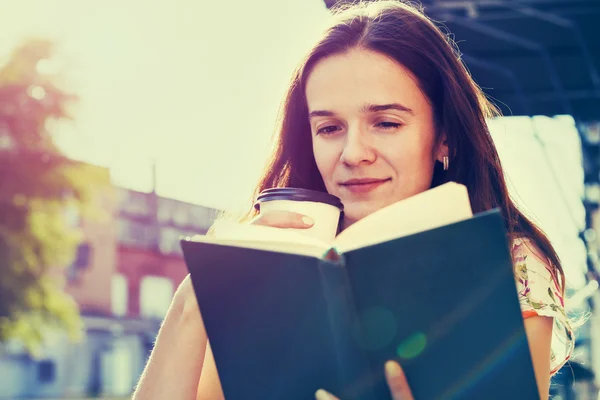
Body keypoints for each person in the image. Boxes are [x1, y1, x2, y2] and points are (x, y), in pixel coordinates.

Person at [132, 1, 574, 399]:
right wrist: (197, 297)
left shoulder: (512, 264)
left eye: (385, 122)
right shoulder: (263, 254)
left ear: (444, 138)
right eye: (329, 128)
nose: (353, 153)